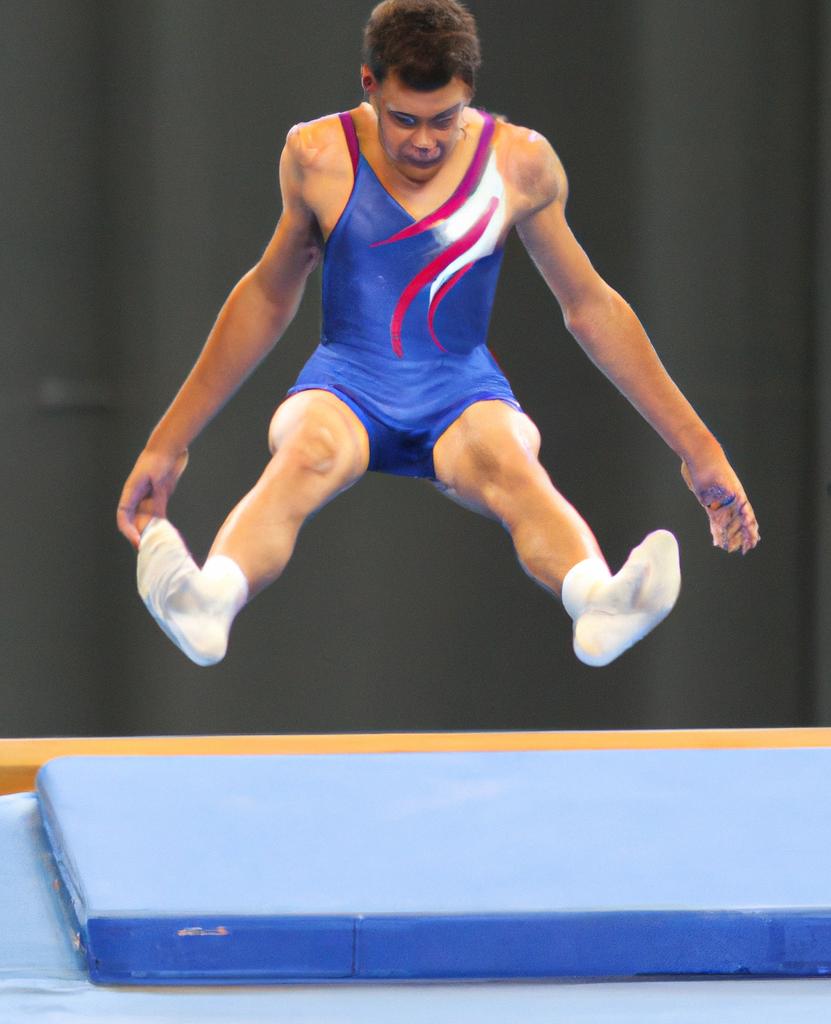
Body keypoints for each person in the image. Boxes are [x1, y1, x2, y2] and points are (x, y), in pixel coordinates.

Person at [116, 0, 760, 669]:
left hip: (459, 387)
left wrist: (699, 450)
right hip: (348, 379)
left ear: (469, 96)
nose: (424, 141)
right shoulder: (318, 155)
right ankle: (210, 599)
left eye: (444, 119)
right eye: (404, 119)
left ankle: (596, 599)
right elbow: (268, 296)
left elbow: (591, 307)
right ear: (370, 85)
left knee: (509, 464)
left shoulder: (520, 164)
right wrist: (170, 442)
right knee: (306, 452)